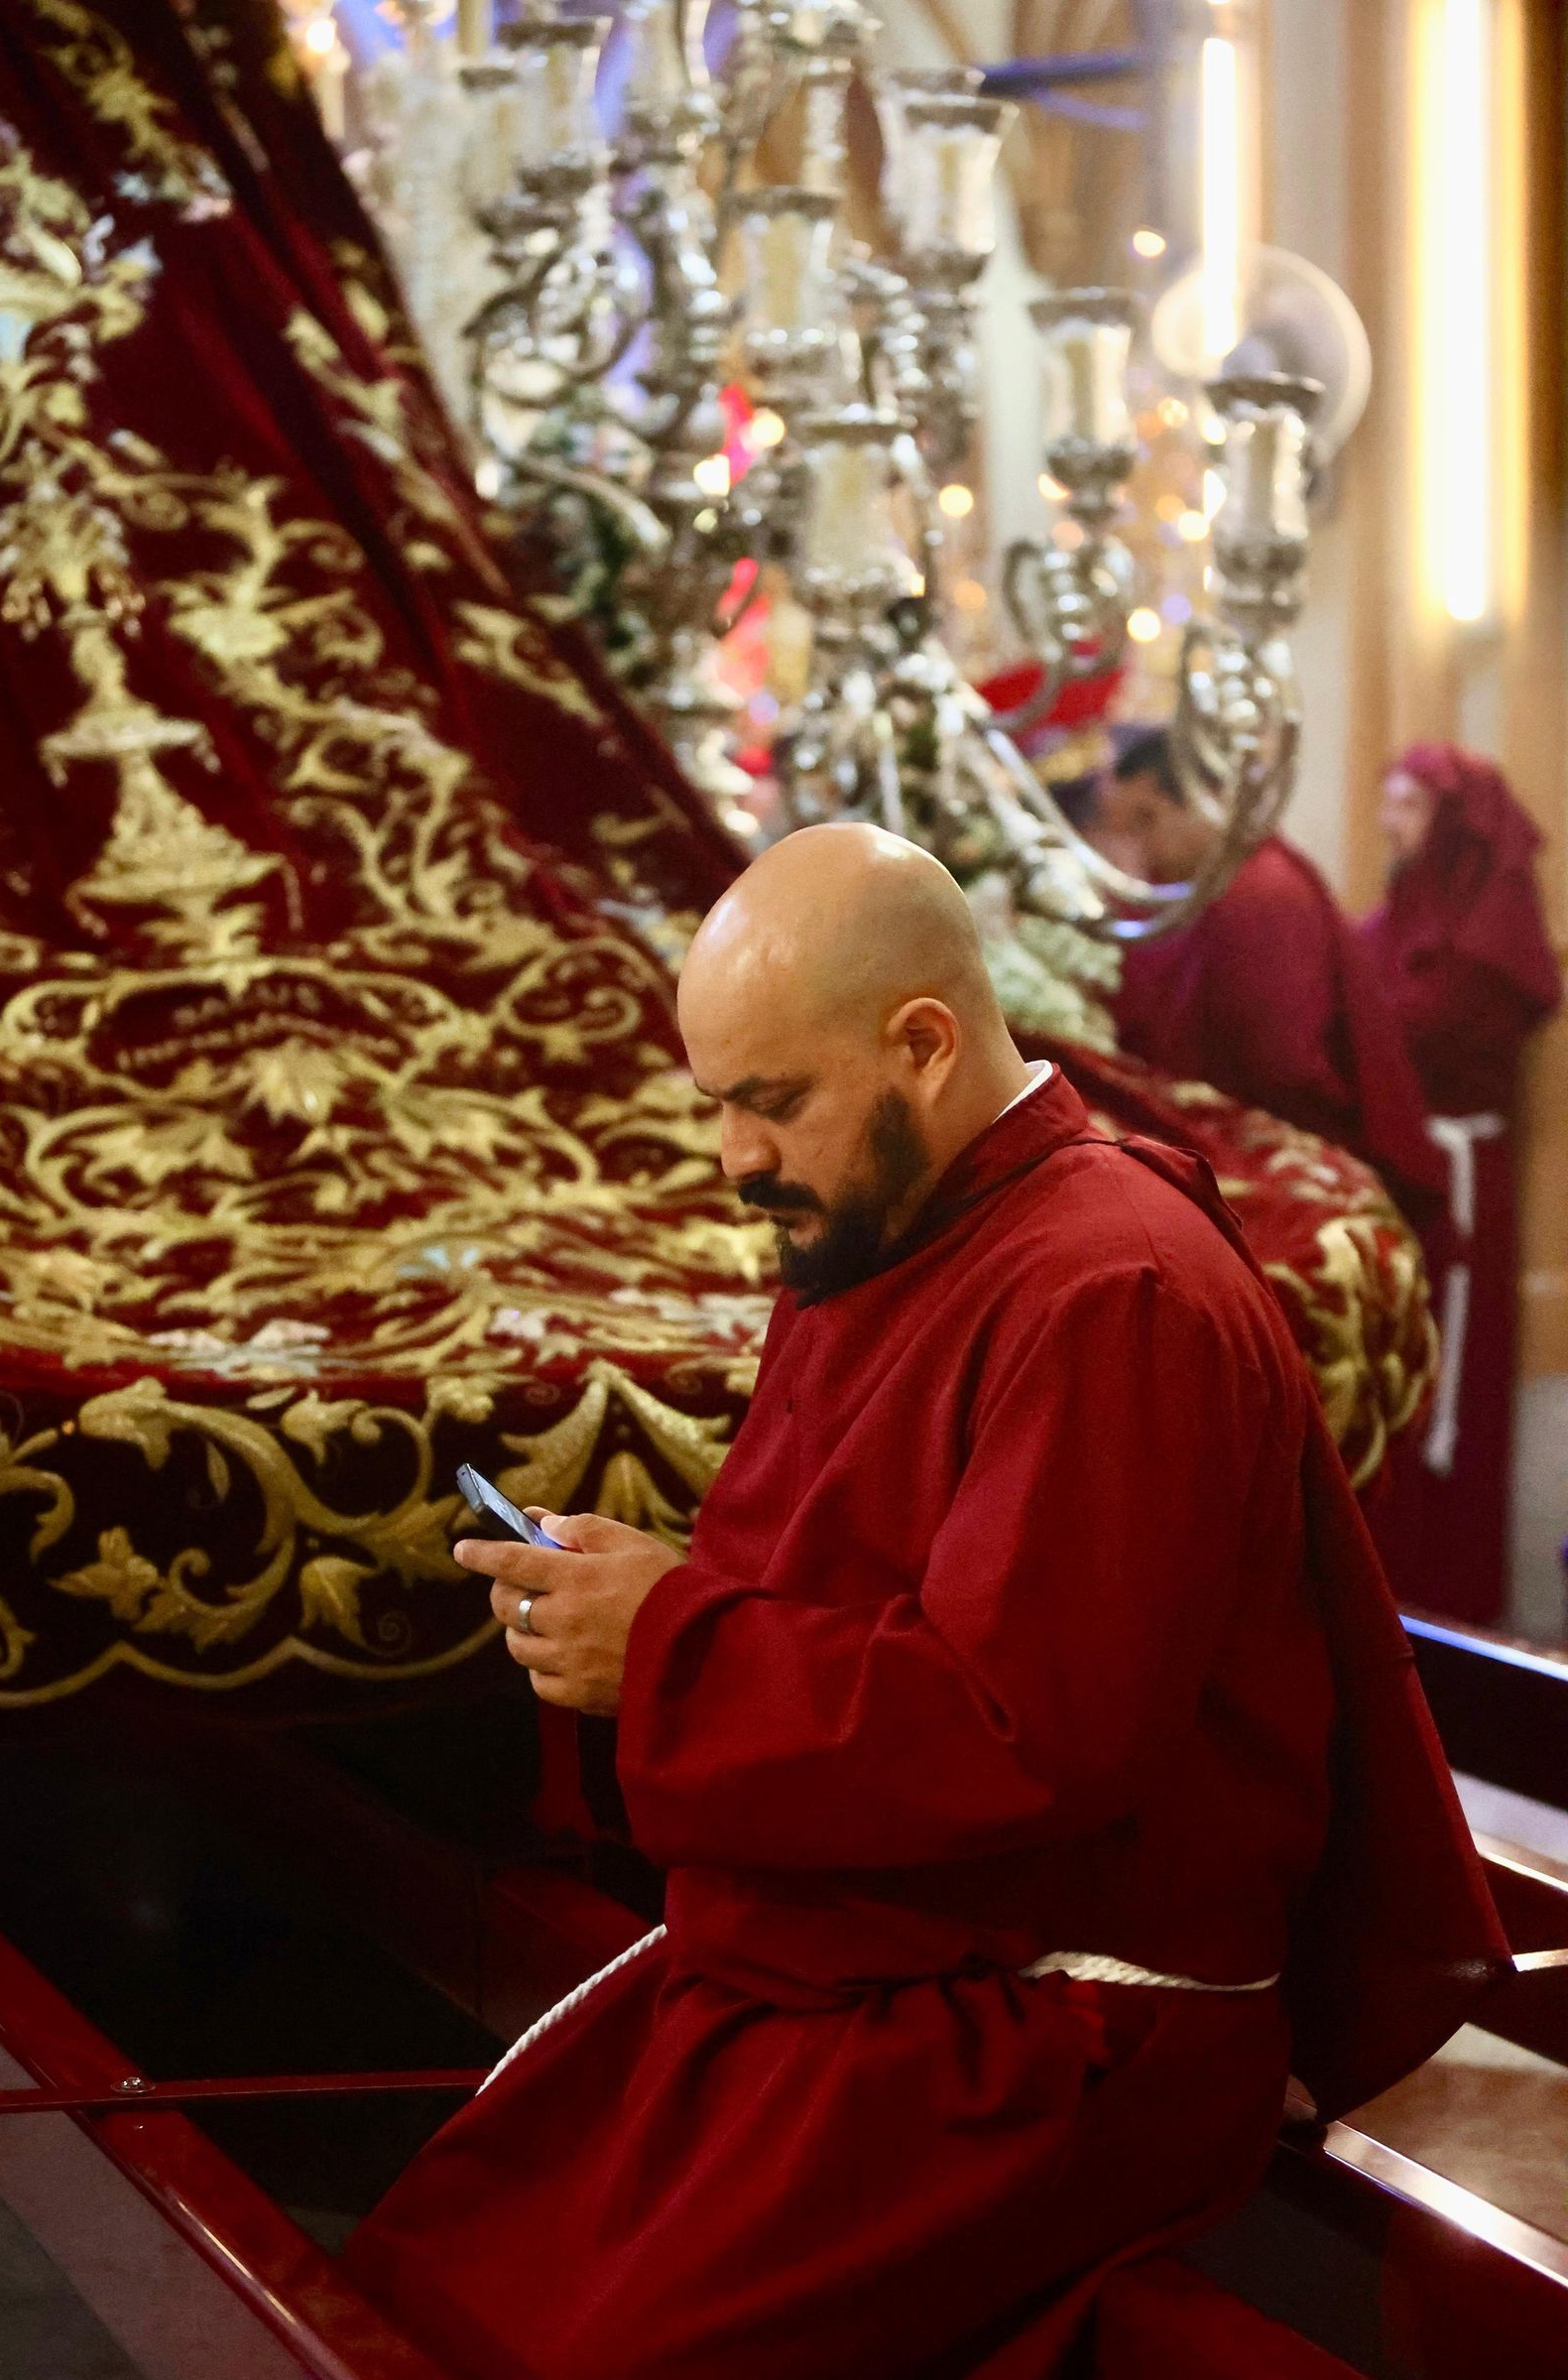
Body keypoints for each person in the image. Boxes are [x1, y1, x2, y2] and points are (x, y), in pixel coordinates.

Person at [345, 825, 1503, 2380]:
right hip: (899, 1964)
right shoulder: (909, 1221)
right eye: (720, 1106)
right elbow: (833, 1576)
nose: (737, 1157)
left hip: (1060, 2031)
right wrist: (634, 1604)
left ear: (923, 1040)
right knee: (435, 2268)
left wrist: (671, 1647)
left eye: (771, 1102)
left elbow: (1028, 1728)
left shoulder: (1114, 1288)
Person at [1359, 743, 1562, 1624]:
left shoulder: (1487, 939)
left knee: (1455, 1384)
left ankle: (1456, 1595)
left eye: (1405, 805)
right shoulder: (1404, 908)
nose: (1387, 823)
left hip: (1462, 1181)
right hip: (1409, 1174)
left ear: (1449, 820)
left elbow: (1421, 1021)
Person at [1094, 731, 1440, 1218]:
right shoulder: (1211, 887)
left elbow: (1285, 1070)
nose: (1142, 853)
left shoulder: (1260, 895)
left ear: (1197, 799)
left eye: (1145, 822)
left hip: (1296, 1184)